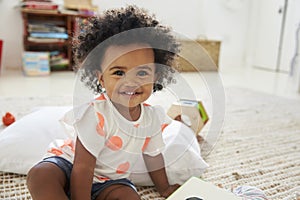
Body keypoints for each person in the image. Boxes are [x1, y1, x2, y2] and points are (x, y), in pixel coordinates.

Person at [27, 5, 181, 200]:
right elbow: (83, 167)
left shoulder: (152, 118)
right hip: (69, 167)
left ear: (156, 77)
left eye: (142, 73)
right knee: (40, 175)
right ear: (101, 79)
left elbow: (153, 157)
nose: (130, 82)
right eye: (118, 73)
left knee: (129, 197)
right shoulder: (96, 114)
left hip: (111, 182)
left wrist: (165, 189)